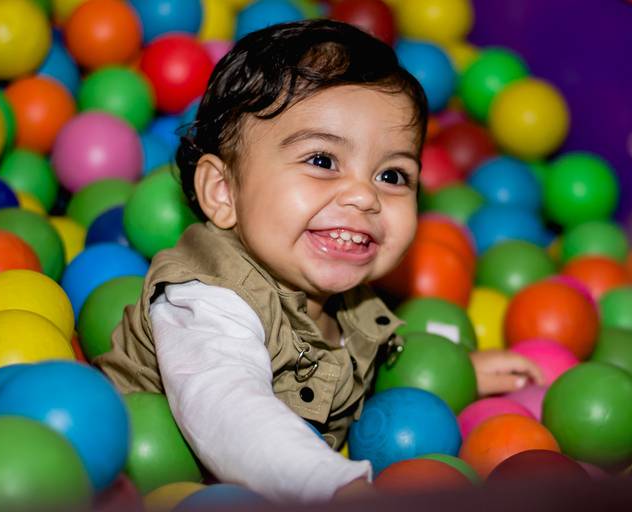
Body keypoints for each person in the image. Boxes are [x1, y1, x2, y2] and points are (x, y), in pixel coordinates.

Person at [94, 19, 542, 504]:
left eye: (392, 175)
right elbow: (227, 412)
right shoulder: (206, 301)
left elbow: (361, 362)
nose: (364, 196)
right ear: (223, 192)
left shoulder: (346, 296)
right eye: (323, 161)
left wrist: (452, 372)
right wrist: (332, 486)